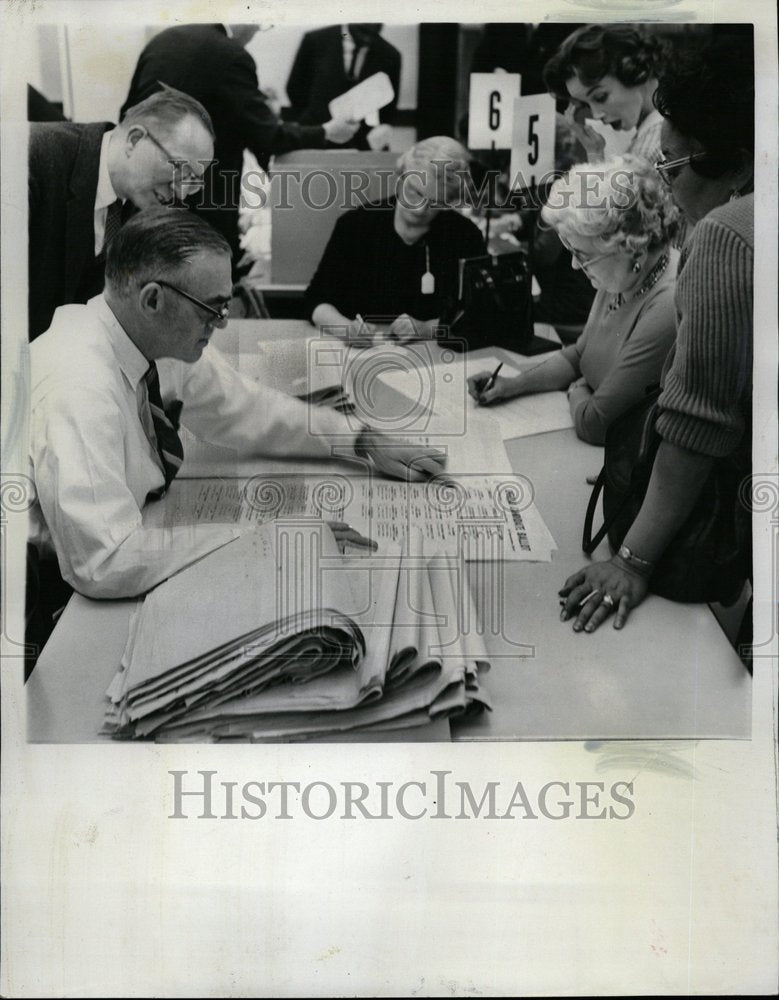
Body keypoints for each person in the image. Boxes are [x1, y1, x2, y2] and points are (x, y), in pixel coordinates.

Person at [28, 208, 446, 605]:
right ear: (152, 300)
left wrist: (359, 440)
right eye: (212, 307)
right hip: (37, 588)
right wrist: (261, 541)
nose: (223, 322)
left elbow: (249, 409)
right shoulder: (79, 386)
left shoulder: (150, 339)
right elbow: (105, 563)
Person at [558, 37, 754, 633]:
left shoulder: (725, 234)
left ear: (733, 158)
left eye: (669, 164)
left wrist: (631, 562)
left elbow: (697, 422)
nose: (661, 188)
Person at [468, 155, 680, 445]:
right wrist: (513, 385)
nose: (574, 266)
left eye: (583, 255)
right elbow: (579, 356)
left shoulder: (667, 305)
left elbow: (597, 424)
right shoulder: (623, 274)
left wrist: (576, 388)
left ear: (633, 250)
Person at [120, 23, 360, 266]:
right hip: (203, 203)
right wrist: (326, 132)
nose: (255, 33)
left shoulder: (164, 40)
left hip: (139, 195)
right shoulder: (232, 56)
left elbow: (128, 113)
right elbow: (267, 135)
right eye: (258, 26)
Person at [28, 86, 213, 341]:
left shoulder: (138, 207)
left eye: (193, 180)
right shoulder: (31, 157)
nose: (181, 191)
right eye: (181, 168)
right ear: (135, 139)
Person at [305, 136, 484, 346]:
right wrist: (345, 329)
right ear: (402, 175)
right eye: (415, 192)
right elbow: (316, 300)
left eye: (436, 202)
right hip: (360, 353)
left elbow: (478, 311)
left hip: (432, 356)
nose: (419, 209)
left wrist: (425, 329)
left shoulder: (464, 235)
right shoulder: (356, 225)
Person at [544, 24, 668, 166]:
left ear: (636, 72)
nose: (596, 115)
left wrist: (595, 156)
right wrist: (594, 150)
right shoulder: (658, 131)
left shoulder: (652, 149)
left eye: (600, 97)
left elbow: (617, 189)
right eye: (586, 104)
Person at [286, 24, 401, 151]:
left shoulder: (390, 55)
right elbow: (294, 88)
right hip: (315, 139)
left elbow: (388, 106)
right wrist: (317, 126)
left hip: (361, 146)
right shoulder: (315, 40)